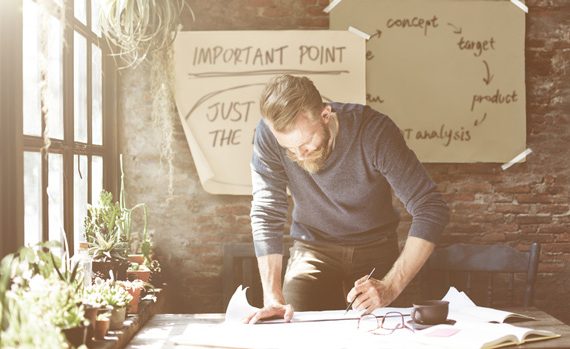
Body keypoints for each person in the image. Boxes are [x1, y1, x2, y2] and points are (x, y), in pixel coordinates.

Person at [245, 75, 449, 324]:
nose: (298, 154)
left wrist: (390, 287)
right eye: (289, 147)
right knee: (290, 325)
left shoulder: (373, 132)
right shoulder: (268, 135)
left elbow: (431, 208)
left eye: (306, 142)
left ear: (325, 115)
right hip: (312, 247)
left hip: (374, 246)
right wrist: (272, 297)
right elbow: (266, 212)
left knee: (384, 332)